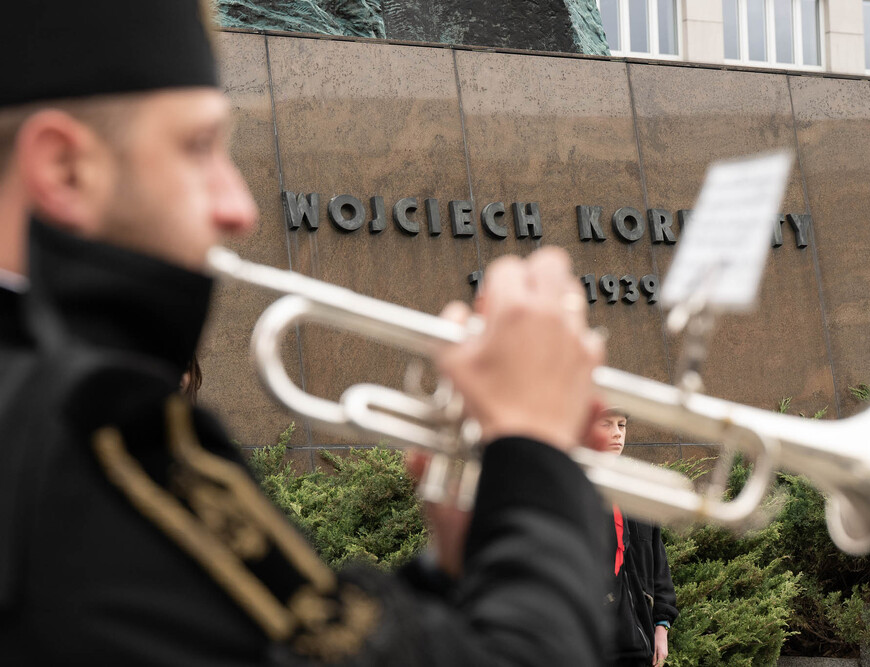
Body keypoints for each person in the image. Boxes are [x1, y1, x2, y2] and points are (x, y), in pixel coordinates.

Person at [0, 2, 611, 665]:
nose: (239, 206)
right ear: (63, 168)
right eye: (198, 147)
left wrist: (466, 556)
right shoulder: (101, 434)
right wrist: (535, 453)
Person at [591, 408, 680, 667]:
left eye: (622, 425)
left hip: (638, 638)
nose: (617, 433)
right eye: (605, 424)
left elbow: (658, 566)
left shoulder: (637, 492)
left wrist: (661, 627)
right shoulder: (574, 490)